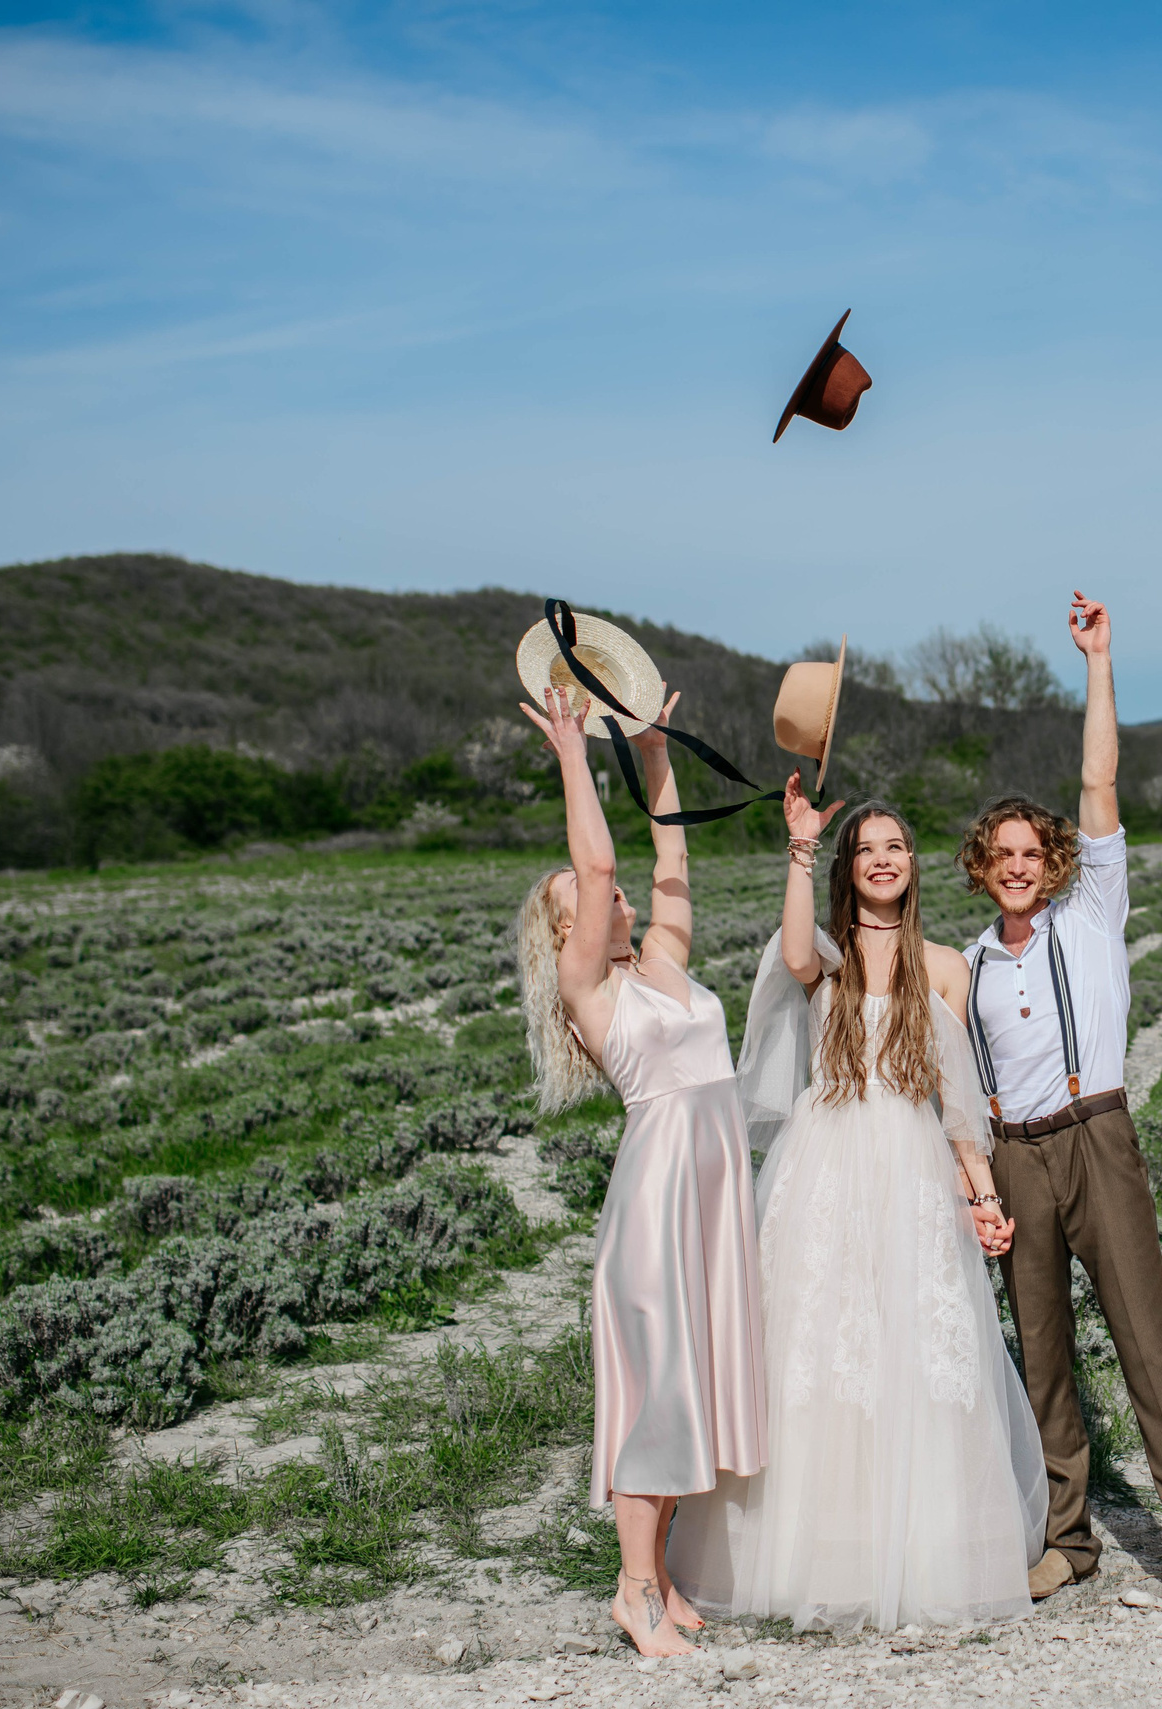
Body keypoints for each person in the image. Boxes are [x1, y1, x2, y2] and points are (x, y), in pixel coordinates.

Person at [666, 786, 1047, 1633]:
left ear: (913, 866)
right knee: (822, 1346)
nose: (882, 857)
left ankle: (919, 1545)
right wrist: (800, 850)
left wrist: (982, 1198)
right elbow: (793, 947)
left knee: (914, 1349)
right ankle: (818, 1550)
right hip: (829, 1165)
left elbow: (955, 1107)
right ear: (851, 867)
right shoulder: (828, 959)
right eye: (867, 847)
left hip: (911, 1168)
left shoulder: (943, 965)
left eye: (896, 846)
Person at [954, 591, 1162, 1616]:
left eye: (1035, 851)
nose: (1021, 866)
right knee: (1041, 1353)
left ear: (1058, 860)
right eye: (1004, 856)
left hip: (1098, 1134)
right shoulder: (970, 963)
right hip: (1014, 1154)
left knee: (1147, 1338)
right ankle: (1064, 1538)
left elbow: (1097, 774)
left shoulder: (1093, 911)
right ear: (984, 870)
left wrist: (1097, 661)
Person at [514, 683, 766, 1659]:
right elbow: (602, 854)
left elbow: (666, 858)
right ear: (566, 931)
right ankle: (632, 1590)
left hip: (708, 1189)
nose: (615, 898)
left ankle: (661, 1576)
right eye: (592, 901)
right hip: (660, 1199)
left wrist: (652, 753)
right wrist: (575, 752)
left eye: (611, 899)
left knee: (688, 1381)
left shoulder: (661, 960)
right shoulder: (590, 988)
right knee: (658, 1389)